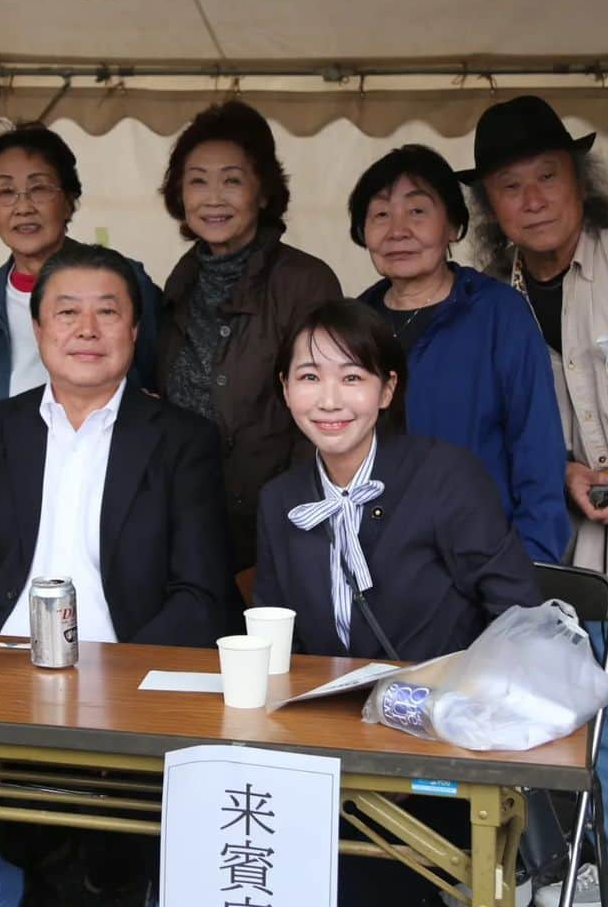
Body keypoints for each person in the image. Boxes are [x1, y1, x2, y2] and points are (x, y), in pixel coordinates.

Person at [0, 242, 236, 903]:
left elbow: (202, 594)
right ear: (38, 331)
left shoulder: (183, 440)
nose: (86, 330)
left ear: (134, 329)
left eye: (106, 312)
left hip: (123, 684)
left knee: (100, 842)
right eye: (67, 313)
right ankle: (4, 877)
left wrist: (113, 679)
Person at [256, 298, 541, 907]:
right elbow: (279, 640)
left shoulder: (446, 477)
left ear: (387, 390)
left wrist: (456, 706)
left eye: (352, 377)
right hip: (331, 748)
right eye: (309, 377)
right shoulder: (281, 498)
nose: (329, 400)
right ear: (285, 390)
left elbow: (518, 615)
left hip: (440, 745)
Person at [461, 95, 608, 907]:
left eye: (547, 177)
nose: (531, 199)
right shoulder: (491, 301)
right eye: (509, 186)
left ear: (580, 180)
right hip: (571, 558)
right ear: (488, 207)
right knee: (601, 734)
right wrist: (564, 468)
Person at [350, 143, 570, 562]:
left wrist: (528, 571)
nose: (397, 230)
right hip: (374, 568)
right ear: (363, 232)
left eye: (417, 212)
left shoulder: (499, 314)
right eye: (380, 215)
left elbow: (537, 453)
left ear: (453, 225)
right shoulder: (352, 328)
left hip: (481, 563)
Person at [156, 99, 342, 592]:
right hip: (187, 531)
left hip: (273, 535)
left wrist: (290, 532)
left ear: (262, 192)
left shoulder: (304, 281)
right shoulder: (176, 289)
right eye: (197, 180)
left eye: (232, 180)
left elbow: (325, 417)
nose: (213, 197)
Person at [0, 121, 160, 432]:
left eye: (38, 188)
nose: (23, 207)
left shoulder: (123, 281)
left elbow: (161, 379)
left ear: (69, 200)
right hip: (10, 469)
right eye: (6, 192)